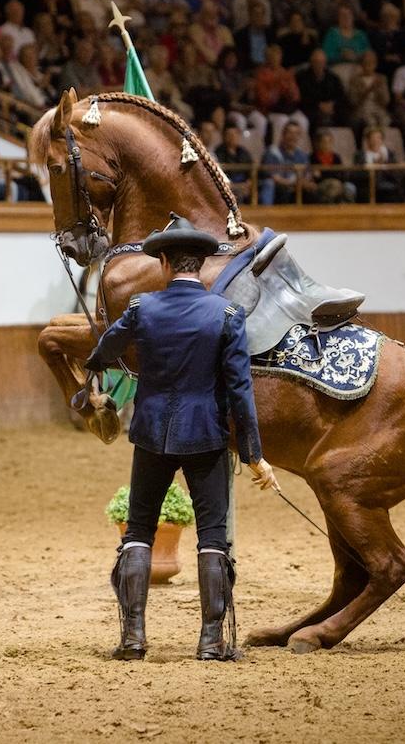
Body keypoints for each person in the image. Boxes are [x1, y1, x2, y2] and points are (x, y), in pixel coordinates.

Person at [83, 214, 278, 663]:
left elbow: (103, 352)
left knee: (138, 532)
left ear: (166, 263)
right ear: (199, 265)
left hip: (151, 433)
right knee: (212, 536)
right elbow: (239, 391)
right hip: (206, 435)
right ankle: (211, 642)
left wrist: (102, 360)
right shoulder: (227, 315)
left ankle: (133, 639)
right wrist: (254, 456)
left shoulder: (143, 308)